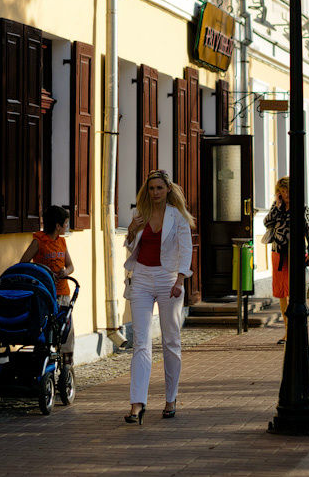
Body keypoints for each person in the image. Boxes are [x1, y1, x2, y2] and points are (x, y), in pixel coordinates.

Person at [123, 169, 194, 425]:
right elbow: (132, 247)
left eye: (159, 188)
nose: (155, 193)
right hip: (141, 277)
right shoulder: (139, 215)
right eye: (151, 189)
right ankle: (137, 403)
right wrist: (131, 231)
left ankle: (170, 398)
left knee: (170, 341)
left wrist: (180, 280)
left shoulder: (179, 217)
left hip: (168, 279)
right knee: (141, 342)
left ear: (168, 190)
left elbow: (186, 250)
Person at [263, 177, 309, 345]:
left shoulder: (301, 207)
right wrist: (277, 206)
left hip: (296, 253)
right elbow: (267, 222)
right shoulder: (277, 207)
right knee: (281, 292)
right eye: (282, 191)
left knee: (295, 290)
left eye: (288, 191)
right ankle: (287, 331)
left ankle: (296, 329)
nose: (286, 194)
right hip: (278, 253)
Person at [20, 205, 75, 365]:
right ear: (57, 226)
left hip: (63, 294)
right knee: (43, 331)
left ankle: (67, 365)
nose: (66, 226)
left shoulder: (62, 242)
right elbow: (23, 263)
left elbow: (71, 266)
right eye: (65, 223)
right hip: (44, 295)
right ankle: (40, 364)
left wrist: (66, 272)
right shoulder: (39, 241)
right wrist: (43, 273)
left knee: (67, 333)